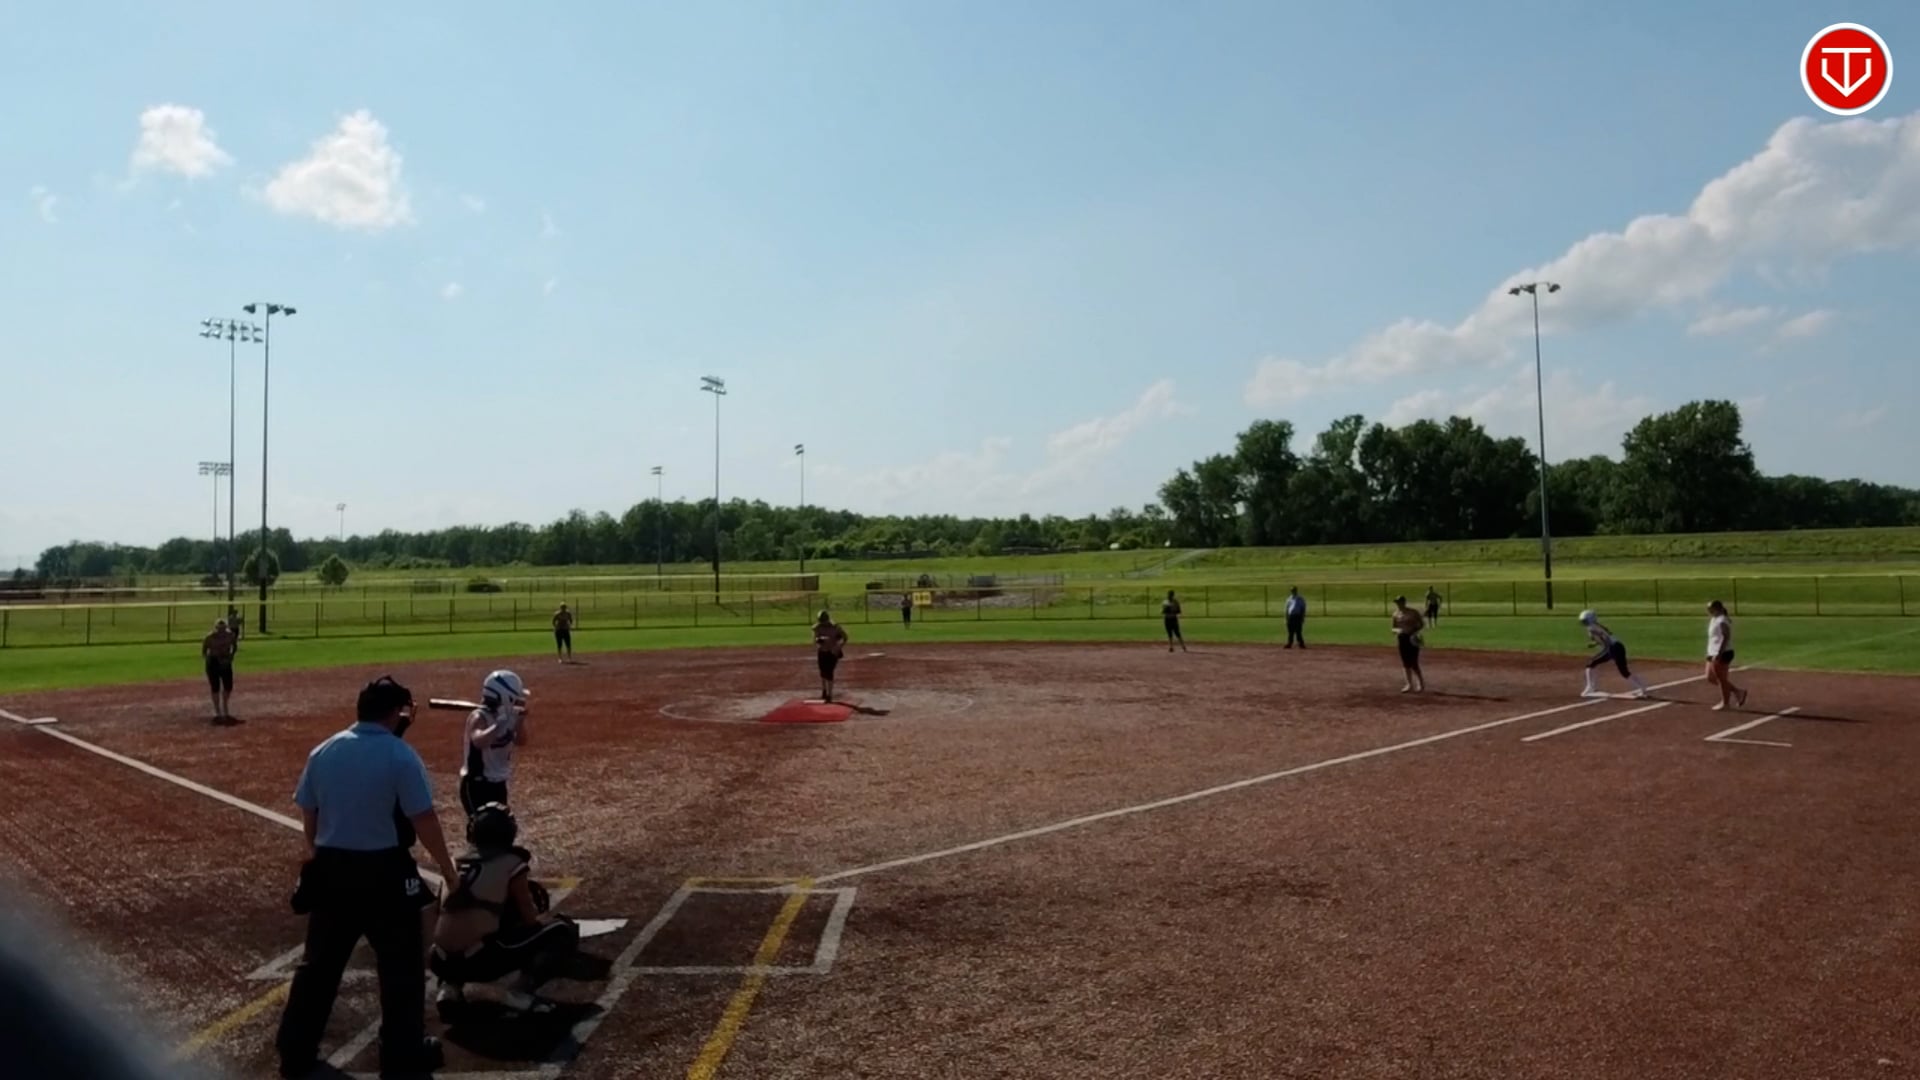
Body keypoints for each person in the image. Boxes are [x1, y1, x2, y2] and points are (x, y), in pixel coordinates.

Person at [276, 676, 459, 1080]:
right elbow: (423, 819)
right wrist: (447, 869)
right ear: (394, 713)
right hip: (384, 873)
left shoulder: (324, 750)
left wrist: (316, 854)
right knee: (401, 967)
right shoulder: (400, 755)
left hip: (332, 870)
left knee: (318, 966)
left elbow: (309, 810)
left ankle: (295, 1050)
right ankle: (401, 1052)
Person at [430, 803, 580, 1018]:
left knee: (465, 922)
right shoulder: (511, 862)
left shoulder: (454, 861)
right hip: (481, 961)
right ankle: (519, 993)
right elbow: (530, 918)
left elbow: (438, 913)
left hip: (439, 959)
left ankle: (449, 988)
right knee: (562, 930)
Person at [460, 670, 529, 819]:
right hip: (477, 784)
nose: (520, 700)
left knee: (501, 827)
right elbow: (478, 741)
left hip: (498, 784)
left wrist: (519, 722)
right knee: (484, 828)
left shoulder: (509, 715)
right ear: (506, 696)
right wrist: (498, 724)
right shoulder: (479, 717)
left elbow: (521, 741)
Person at [1577, 610, 1650, 699]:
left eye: (1585, 621)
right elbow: (1605, 637)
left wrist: (1607, 648)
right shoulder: (1595, 626)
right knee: (1624, 671)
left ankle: (1590, 687)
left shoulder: (1593, 627)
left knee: (1591, 664)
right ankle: (1642, 687)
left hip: (1613, 647)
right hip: (1618, 647)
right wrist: (1596, 644)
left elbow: (1606, 639)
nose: (1584, 623)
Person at [1705, 600, 1749, 712]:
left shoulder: (1722, 620)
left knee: (1721, 679)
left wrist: (1719, 653)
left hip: (1722, 653)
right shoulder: (1714, 619)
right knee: (1710, 677)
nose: (1708, 611)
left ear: (1717, 608)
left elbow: (1726, 637)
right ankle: (1738, 692)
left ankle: (1725, 703)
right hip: (1712, 652)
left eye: (1710, 609)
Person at [201, 617, 239, 722]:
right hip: (213, 662)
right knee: (215, 686)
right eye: (219, 629)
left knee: (228, 686)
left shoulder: (230, 635)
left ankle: (225, 706)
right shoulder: (209, 637)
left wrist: (231, 656)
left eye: (223, 628)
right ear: (215, 628)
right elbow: (204, 651)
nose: (221, 631)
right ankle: (217, 711)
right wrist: (211, 660)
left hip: (226, 662)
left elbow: (235, 646)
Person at [1391, 595, 1426, 693]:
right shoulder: (1395, 614)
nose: (1398, 604)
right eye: (1397, 602)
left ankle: (1421, 683)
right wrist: (1398, 630)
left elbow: (1421, 624)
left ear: (1404, 602)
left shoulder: (1413, 612)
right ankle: (1409, 684)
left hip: (1412, 638)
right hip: (1402, 639)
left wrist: (1414, 631)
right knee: (1405, 662)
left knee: (1414, 662)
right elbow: (1393, 628)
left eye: (1400, 602)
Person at [812, 610, 848, 703]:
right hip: (822, 652)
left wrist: (838, 647)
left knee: (829, 672)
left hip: (832, 653)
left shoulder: (835, 627)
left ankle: (830, 694)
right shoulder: (817, 627)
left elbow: (845, 637)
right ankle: (824, 690)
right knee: (823, 672)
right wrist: (819, 640)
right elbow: (815, 639)